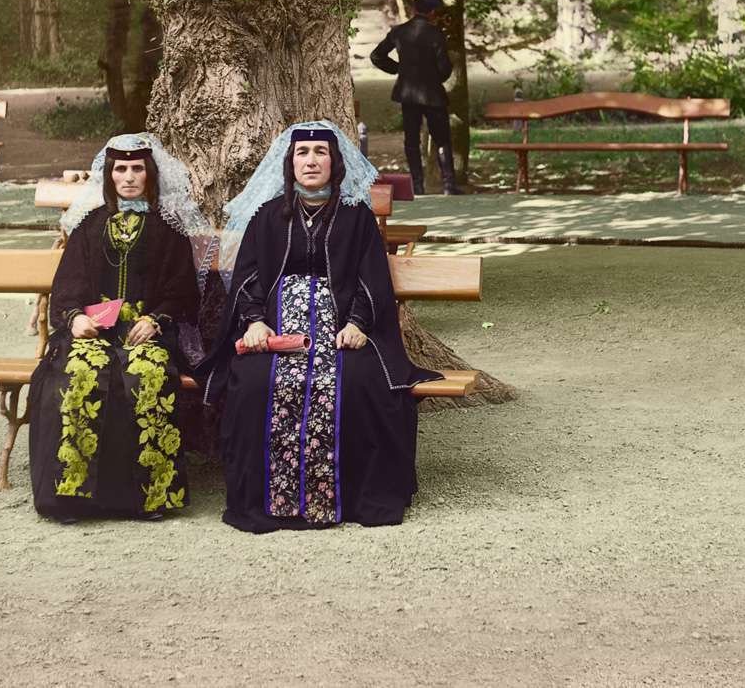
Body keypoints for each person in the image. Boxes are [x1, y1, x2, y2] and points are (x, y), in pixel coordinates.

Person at [197, 120, 443, 533]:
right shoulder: (268, 217)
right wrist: (254, 322)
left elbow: (372, 279)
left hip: (341, 329)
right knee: (256, 383)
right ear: (289, 163)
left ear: (335, 162)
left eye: (320, 153)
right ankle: (266, 499)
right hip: (277, 332)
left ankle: (352, 496)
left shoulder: (356, 216)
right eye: (302, 153)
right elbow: (248, 278)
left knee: (362, 381)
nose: (311, 161)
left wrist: (359, 323)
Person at [28, 133, 213, 523]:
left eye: (137, 168)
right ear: (109, 175)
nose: (129, 176)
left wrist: (154, 320)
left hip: (147, 332)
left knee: (147, 373)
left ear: (150, 174)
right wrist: (75, 318)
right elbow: (67, 285)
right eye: (121, 169)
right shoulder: (90, 226)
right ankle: (72, 498)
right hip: (93, 332)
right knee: (80, 372)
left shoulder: (169, 229)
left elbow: (182, 290)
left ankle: (149, 497)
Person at [369, 0, 461, 195]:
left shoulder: (399, 32)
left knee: (411, 140)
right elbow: (444, 69)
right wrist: (435, 77)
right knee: (442, 139)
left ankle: (417, 186)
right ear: (432, 13)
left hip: (408, 94)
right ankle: (449, 185)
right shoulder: (436, 34)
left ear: (413, 9)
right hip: (433, 95)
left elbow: (376, 56)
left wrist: (398, 69)